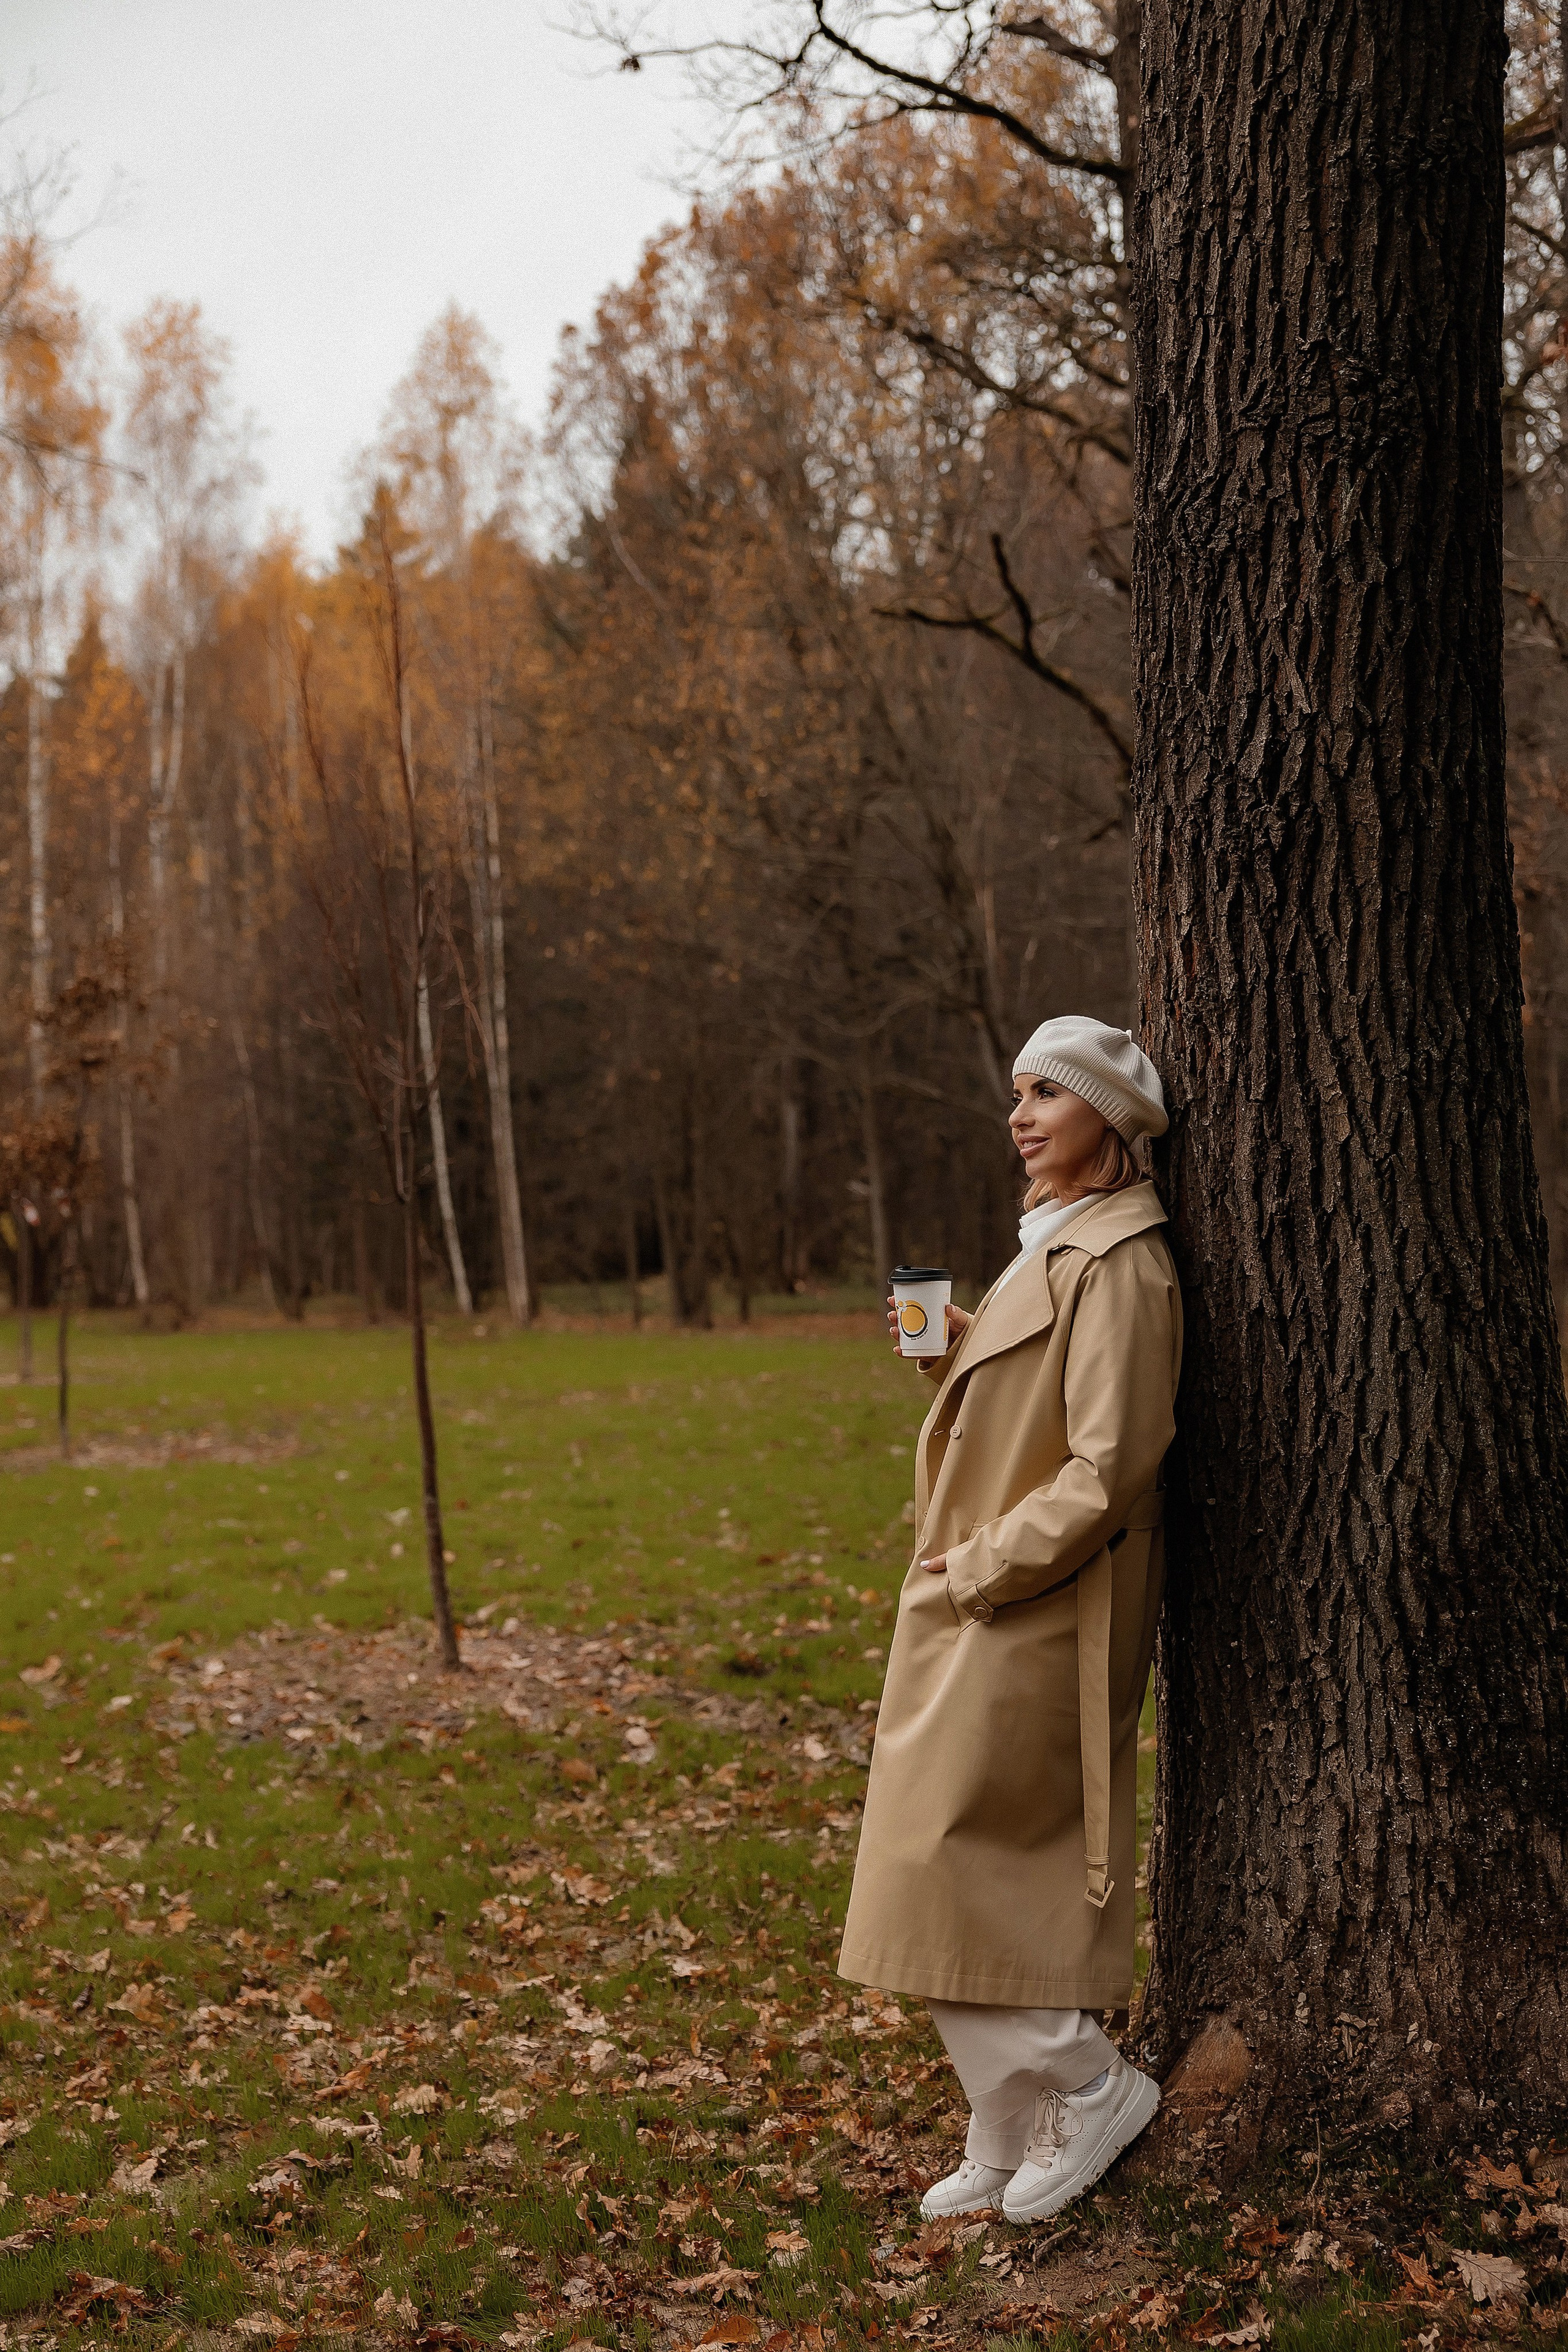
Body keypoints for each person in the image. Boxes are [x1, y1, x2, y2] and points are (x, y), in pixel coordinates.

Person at [839, 1015, 1182, 2224]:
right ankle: (1008, 2115)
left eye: (1046, 1093)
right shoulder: (1054, 1242)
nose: (1019, 1114)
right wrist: (950, 1357)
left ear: (1108, 1116)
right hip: (985, 1595)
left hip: (1036, 1600)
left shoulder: (1121, 1264)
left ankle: (1084, 2086)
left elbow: (1109, 1465)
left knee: (944, 1869)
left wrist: (983, 1566)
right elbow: (1033, 1407)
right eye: (1016, 1093)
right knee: (921, 1868)